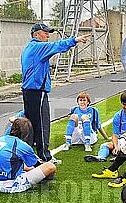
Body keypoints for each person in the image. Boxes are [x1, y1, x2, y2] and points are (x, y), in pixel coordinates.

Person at [21, 22, 90, 164]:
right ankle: (44, 157)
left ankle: (30, 156)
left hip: (30, 91)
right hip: (36, 91)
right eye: (45, 32)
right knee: (42, 125)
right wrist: (74, 40)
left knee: (31, 125)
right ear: (36, 34)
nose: (48, 35)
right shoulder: (38, 47)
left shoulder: (29, 48)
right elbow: (57, 46)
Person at [0, 117, 56, 193]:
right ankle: (41, 183)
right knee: (50, 167)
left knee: (17, 163)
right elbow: (36, 165)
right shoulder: (22, 145)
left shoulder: (0, 139)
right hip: (10, 185)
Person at [86, 90, 126, 164]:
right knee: (105, 145)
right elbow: (115, 134)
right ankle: (101, 157)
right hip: (122, 140)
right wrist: (116, 146)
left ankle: (125, 156)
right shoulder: (118, 116)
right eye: (124, 104)